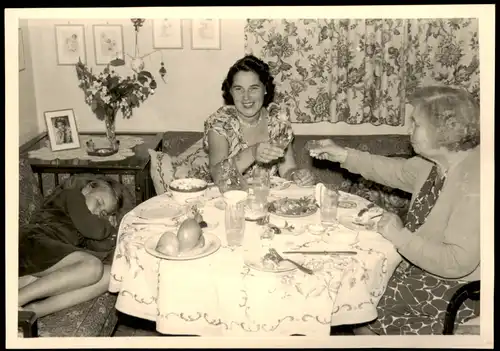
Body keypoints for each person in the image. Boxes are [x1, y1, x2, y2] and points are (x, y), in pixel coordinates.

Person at [309, 85, 480, 335]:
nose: (409, 130)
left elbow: (456, 263)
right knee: (354, 295)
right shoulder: (435, 165)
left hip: (450, 289)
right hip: (418, 269)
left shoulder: (475, 182)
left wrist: (399, 235)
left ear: (442, 130)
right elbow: (393, 170)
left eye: (416, 124)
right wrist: (342, 154)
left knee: (358, 305)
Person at [18, 177, 124, 318]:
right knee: (92, 267)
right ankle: (15, 300)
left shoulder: (86, 221)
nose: (98, 212)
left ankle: (31, 313)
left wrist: (108, 231)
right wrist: (109, 227)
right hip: (33, 241)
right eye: (99, 202)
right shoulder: (72, 195)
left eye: (104, 213)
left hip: (47, 256)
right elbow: (94, 230)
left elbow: (100, 247)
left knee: (111, 274)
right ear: (88, 188)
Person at [203, 54, 315, 187]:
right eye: (239, 89)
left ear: (265, 89)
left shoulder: (278, 121)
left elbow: (287, 168)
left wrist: (296, 175)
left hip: (265, 198)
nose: (246, 97)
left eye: (253, 88)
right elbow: (218, 175)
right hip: (228, 198)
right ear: (231, 92)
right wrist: (253, 152)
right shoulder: (220, 123)